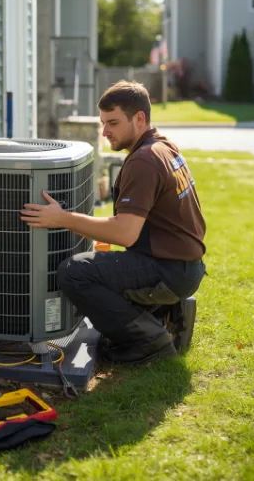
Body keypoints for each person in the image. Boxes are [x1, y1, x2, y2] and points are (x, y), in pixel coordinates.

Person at [20, 80, 206, 366]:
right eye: (103, 123)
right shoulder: (163, 146)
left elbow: (126, 233)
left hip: (169, 270)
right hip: (184, 266)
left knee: (75, 272)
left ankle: (149, 342)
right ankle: (163, 315)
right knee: (103, 264)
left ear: (139, 118)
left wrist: (61, 218)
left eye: (114, 123)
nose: (105, 131)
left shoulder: (144, 160)